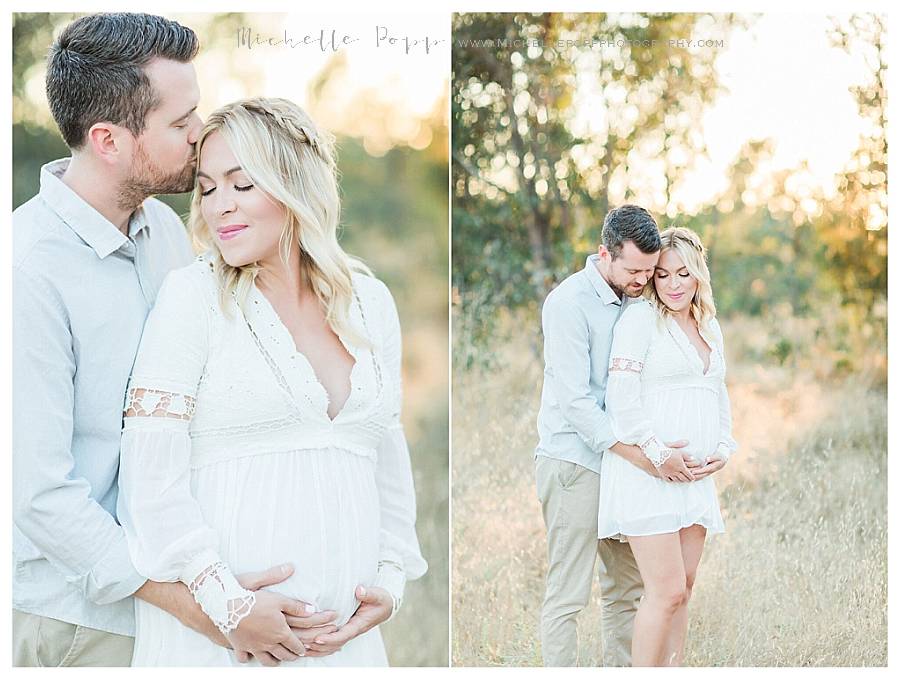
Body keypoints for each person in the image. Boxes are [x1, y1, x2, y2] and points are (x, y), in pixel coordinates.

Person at [12, 13, 321, 667]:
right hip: (83, 621)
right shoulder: (25, 268)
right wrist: (207, 607)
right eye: (180, 124)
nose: (199, 135)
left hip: (189, 593)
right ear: (109, 140)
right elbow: (37, 494)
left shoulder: (165, 231)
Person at [116, 96, 428, 666]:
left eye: (242, 184)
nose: (219, 208)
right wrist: (229, 605)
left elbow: (385, 454)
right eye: (207, 188)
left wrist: (390, 579)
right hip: (225, 646)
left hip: (344, 649)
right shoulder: (193, 297)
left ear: (294, 185)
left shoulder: (370, 302)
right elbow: (150, 480)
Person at [534, 205, 702, 666]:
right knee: (567, 595)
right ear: (604, 253)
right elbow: (576, 405)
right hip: (576, 462)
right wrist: (645, 456)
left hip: (624, 468)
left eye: (650, 270)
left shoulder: (641, 299)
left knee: (626, 592)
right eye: (635, 269)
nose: (643, 279)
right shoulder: (568, 304)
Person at [599, 226, 738, 666]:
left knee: (687, 587)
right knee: (665, 590)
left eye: (683, 274)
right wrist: (659, 454)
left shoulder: (709, 325)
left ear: (699, 273)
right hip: (649, 473)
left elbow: (717, 392)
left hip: (693, 477)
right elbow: (621, 398)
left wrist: (724, 446)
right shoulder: (640, 319)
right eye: (662, 275)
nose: (674, 285)